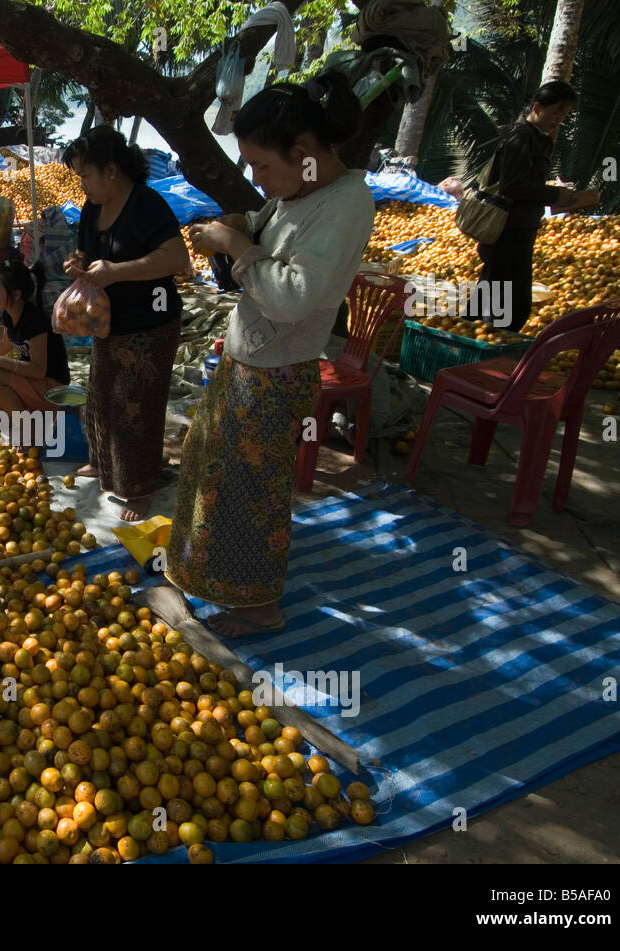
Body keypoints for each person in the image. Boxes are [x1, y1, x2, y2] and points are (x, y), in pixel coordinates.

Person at [168, 71, 374, 638]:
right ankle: (207, 577)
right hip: (245, 365)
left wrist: (237, 245)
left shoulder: (345, 204)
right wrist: (239, 225)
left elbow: (293, 296)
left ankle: (258, 605)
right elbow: (265, 229)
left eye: (260, 166)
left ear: (303, 153)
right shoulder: (296, 193)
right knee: (215, 472)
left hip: (275, 376)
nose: (257, 180)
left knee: (251, 494)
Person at [62, 126, 191, 521]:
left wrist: (119, 271)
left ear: (112, 171)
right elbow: (86, 250)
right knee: (101, 394)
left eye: (86, 175)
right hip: (109, 322)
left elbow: (176, 259)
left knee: (135, 405)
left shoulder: (146, 204)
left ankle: (139, 486)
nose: (82, 184)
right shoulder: (91, 208)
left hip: (150, 323)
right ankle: (103, 465)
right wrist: (78, 265)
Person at [468, 81, 597, 334]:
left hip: (520, 229)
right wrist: (555, 194)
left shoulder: (538, 138)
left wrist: (559, 197)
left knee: (492, 301)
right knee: (508, 308)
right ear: (538, 107)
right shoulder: (522, 136)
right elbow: (512, 186)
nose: (560, 119)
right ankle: (478, 354)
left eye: (565, 113)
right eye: (556, 111)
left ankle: (464, 345)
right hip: (508, 231)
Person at [0, 257, 69, 415]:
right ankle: (3, 412)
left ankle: (28, 426)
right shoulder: (9, 314)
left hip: (52, 389)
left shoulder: (34, 321)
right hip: (33, 382)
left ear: (16, 294)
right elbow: (4, 345)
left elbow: (38, 370)